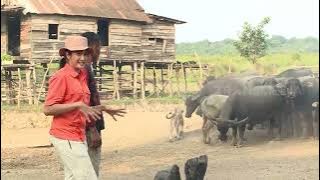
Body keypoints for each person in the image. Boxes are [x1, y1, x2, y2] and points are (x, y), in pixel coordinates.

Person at [44, 36, 125, 179]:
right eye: (78, 54)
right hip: (66, 136)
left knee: (73, 177)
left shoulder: (82, 74)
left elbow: (85, 106)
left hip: (78, 134)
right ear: (68, 55)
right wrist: (78, 105)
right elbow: (48, 109)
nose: (82, 58)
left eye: (85, 54)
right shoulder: (61, 77)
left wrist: (104, 108)